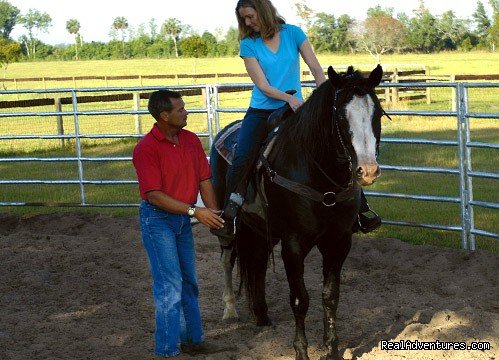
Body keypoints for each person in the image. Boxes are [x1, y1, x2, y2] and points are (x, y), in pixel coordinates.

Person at [211, 0, 381, 242]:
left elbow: (316, 69)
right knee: (242, 155)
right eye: (244, 19)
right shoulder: (248, 45)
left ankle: (359, 209)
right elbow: (263, 85)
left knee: (337, 147)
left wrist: (325, 102)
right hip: (262, 109)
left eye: (250, 16)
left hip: (298, 107)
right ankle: (232, 212)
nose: (248, 22)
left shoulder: (294, 34)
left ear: (263, 11)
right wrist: (288, 99)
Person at [132, 90, 226, 357]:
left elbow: (204, 180)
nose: (186, 112)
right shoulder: (146, 149)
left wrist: (213, 213)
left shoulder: (191, 140)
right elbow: (154, 195)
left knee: (189, 282)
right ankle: (167, 350)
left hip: (183, 219)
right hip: (158, 220)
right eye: (180, 109)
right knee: (169, 286)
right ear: (164, 115)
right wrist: (196, 211)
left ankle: (194, 341)